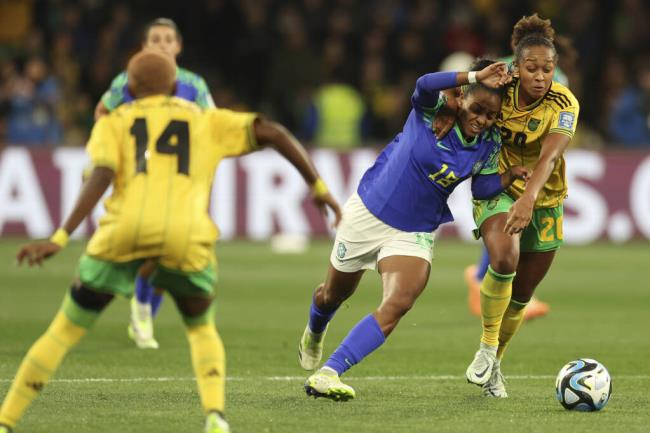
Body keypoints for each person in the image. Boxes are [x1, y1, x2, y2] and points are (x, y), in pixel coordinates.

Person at [0, 50, 341, 433]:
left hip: (122, 231)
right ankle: (215, 416)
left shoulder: (113, 122)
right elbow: (274, 132)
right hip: (186, 236)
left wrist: (60, 236)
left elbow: (100, 175)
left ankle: (6, 421)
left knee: (63, 330)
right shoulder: (205, 119)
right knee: (200, 327)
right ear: (177, 86)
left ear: (129, 88)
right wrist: (319, 187)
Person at [298, 60, 530, 401]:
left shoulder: (488, 142)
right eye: (478, 109)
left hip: (415, 230)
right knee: (332, 295)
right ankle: (315, 330)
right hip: (368, 212)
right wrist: (474, 76)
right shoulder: (432, 110)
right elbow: (424, 82)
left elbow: (480, 190)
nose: (482, 120)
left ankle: (329, 372)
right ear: (462, 97)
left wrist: (507, 178)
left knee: (399, 302)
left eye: (491, 116)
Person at [463, 14, 580, 398]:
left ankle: (496, 362)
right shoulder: (501, 88)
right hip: (499, 184)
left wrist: (530, 199)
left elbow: (549, 157)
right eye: (532, 68)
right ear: (517, 67)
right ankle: (485, 347)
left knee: (522, 296)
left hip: (545, 198)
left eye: (548, 68)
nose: (541, 76)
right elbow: (465, 101)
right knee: (504, 260)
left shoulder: (565, 103)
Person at [95, 17, 215, 350]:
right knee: (149, 249)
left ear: (178, 46)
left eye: (167, 39)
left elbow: (212, 125)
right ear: (145, 47)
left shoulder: (194, 85)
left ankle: (143, 310)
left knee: (168, 252)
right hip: (139, 178)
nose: (162, 44)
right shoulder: (127, 81)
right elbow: (102, 111)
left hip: (178, 179)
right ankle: (138, 304)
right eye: (155, 40)